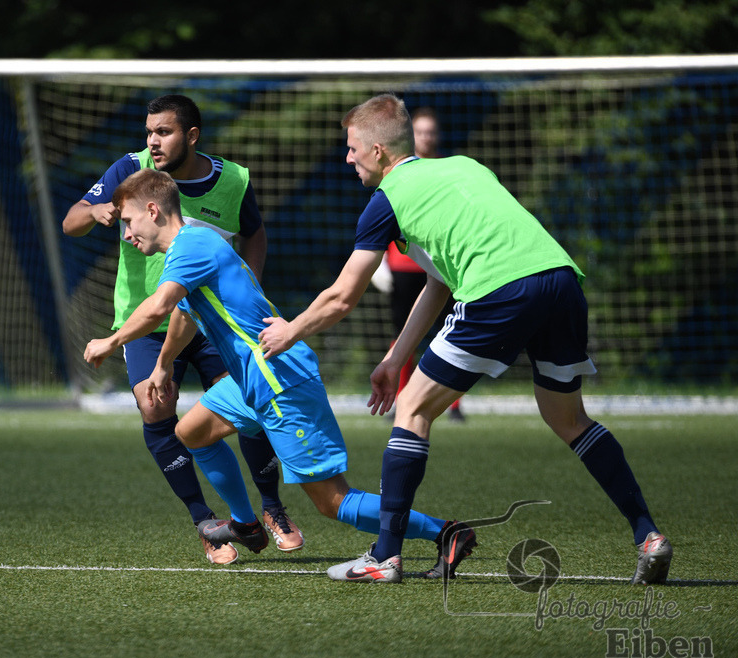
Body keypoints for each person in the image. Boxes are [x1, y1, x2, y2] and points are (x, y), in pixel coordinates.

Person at [258, 94, 672, 585]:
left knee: (413, 409)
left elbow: (342, 297)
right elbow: (440, 281)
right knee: (569, 418)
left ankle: (385, 557)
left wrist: (290, 329)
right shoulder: (466, 167)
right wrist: (395, 358)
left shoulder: (384, 202)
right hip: (560, 281)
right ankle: (648, 536)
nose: (347, 158)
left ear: (378, 152)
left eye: (351, 149)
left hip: (500, 290)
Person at [84, 168, 475, 579]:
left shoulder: (190, 246)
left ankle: (446, 532)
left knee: (332, 501)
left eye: (128, 221)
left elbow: (160, 306)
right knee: (193, 432)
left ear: (152, 210)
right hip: (252, 380)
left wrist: (111, 343)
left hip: (279, 381)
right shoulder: (192, 247)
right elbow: (183, 313)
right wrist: (163, 366)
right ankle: (246, 523)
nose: (126, 233)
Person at [63, 94, 303, 565]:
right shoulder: (128, 171)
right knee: (156, 410)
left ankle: (271, 506)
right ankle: (206, 523)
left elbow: (253, 232)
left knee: (248, 404)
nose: (153, 141)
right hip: (144, 320)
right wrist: (93, 213)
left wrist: (247, 285)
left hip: (210, 319)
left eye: (164, 132)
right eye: (149, 131)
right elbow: (71, 220)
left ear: (191, 136)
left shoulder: (231, 179)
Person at [379, 107, 463, 420]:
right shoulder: (398, 169)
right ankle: (397, 398)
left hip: (443, 266)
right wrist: (378, 262)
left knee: (451, 333)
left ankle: (453, 405)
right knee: (403, 336)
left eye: (431, 131)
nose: (426, 136)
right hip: (404, 266)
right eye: (420, 131)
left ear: (437, 135)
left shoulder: (449, 169)